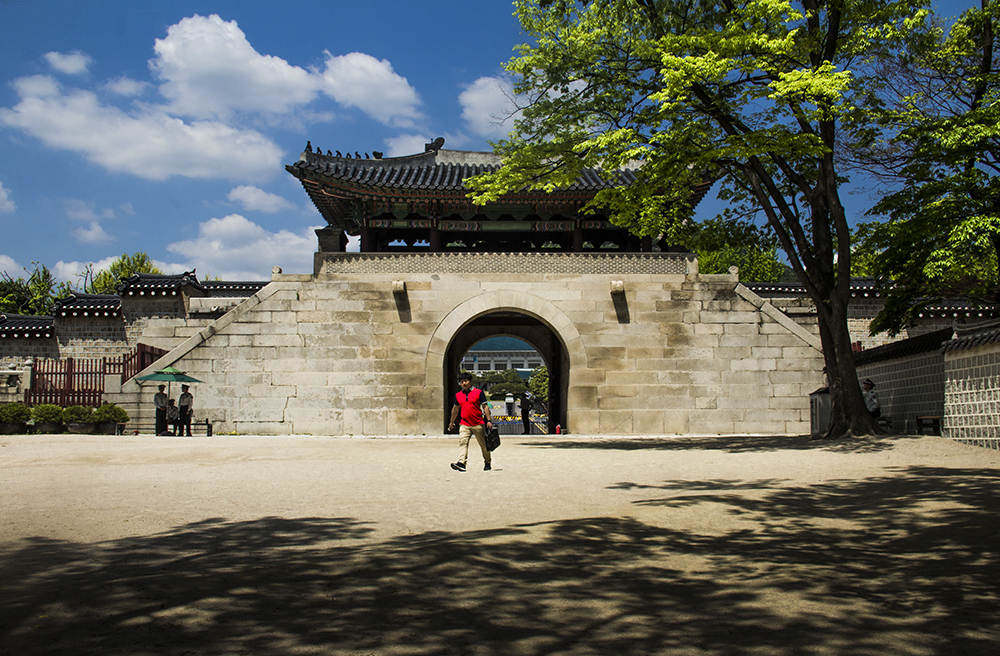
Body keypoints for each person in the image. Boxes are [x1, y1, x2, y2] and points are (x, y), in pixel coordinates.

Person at [448, 372, 493, 472]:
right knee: (463, 443)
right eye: (461, 382)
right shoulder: (458, 395)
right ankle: (461, 462)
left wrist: (488, 420)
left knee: (483, 445)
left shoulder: (479, 392)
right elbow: (455, 409)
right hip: (464, 424)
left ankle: (487, 461)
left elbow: (485, 407)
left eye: (465, 381)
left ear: (470, 382)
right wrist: (452, 422)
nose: (464, 383)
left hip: (478, 423)